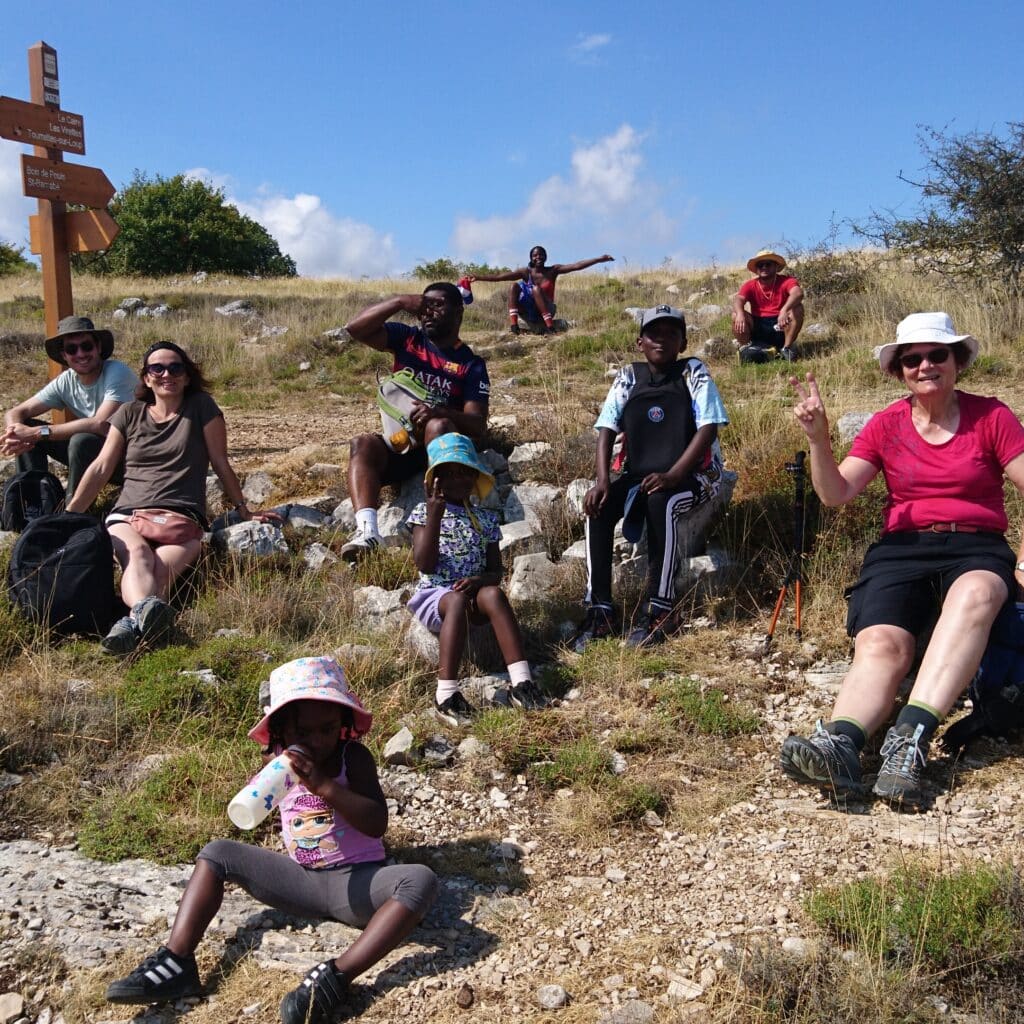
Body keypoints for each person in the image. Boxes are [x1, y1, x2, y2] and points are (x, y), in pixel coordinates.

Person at [105, 655, 437, 1023]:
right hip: (302, 881)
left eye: (328, 729)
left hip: (358, 884)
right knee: (217, 853)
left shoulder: (353, 757)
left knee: (419, 879)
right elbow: (253, 807)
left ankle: (337, 977)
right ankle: (177, 960)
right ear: (281, 731)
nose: (317, 741)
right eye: (303, 733)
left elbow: (376, 824)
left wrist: (324, 786)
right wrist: (273, 772)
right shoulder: (279, 762)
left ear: (343, 723)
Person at [780, 312, 1024, 808]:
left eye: (937, 355)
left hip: (976, 546)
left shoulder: (991, 417)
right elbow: (836, 493)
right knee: (882, 642)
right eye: (912, 359)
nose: (925, 366)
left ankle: (908, 740)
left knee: (977, 593)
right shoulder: (886, 424)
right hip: (902, 548)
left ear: (958, 361)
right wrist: (818, 439)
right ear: (899, 371)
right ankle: (842, 744)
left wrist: (1022, 563)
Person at [66, 341, 276, 656]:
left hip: (183, 516)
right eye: (158, 368)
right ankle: (144, 630)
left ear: (187, 376)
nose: (167, 374)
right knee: (139, 555)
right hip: (129, 514)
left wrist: (243, 510)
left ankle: (127, 628)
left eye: (176, 368)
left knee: (161, 574)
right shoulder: (129, 413)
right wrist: (70, 517)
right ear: (146, 378)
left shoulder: (202, 406)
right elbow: (100, 467)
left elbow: (220, 462)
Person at [573, 305, 729, 651]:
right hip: (640, 471)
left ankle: (661, 608)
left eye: (672, 334)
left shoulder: (692, 372)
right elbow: (606, 427)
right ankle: (600, 610)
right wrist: (602, 480)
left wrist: (674, 475)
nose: (662, 340)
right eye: (654, 333)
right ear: (639, 341)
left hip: (695, 474)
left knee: (662, 502)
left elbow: (708, 427)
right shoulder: (629, 377)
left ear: (683, 342)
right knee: (598, 507)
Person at [341, 282, 489, 562]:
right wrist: (399, 301)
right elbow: (355, 329)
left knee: (437, 425)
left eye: (437, 305)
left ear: (458, 312)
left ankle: (445, 521)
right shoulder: (408, 339)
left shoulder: (471, 364)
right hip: (404, 445)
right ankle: (368, 532)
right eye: (424, 305)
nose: (428, 312)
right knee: (362, 444)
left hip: (442, 453)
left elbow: (477, 424)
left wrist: (441, 412)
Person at [407, 433, 546, 725]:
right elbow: (425, 564)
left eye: (465, 472)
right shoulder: (424, 512)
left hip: (473, 593)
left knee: (494, 594)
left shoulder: (486, 519)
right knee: (456, 600)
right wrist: (435, 515)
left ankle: (521, 682)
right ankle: (446, 694)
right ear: (436, 480)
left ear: (475, 477)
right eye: (449, 473)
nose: (458, 479)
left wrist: (479, 581)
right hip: (437, 595)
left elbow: (496, 571)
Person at [1, 315, 137, 500]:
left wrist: (36, 433)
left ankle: (72, 509)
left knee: (82, 440)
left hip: (131, 461)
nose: (80, 354)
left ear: (98, 347)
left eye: (86, 346)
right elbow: (16, 412)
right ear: (64, 355)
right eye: (72, 349)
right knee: (27, 426)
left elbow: (100, 423)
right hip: (97, 455)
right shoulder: (67, 380)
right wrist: (15, 433)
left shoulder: (117, 372)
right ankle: (33, 502)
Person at [470, 245, 614, 334]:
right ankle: (514, 325)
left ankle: (550, 328)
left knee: (536, 289)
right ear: (531, 258)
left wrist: (599, 259)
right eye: (535, 255)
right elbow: (500, 277)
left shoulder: (553, 270)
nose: (538, 257)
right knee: (514, 286)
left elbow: (576, 265)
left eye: (541, 255)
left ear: (545, 257)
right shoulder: (525, 272)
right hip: (528, 312)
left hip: (547, 309)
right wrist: (478, 277)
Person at [731, 249, 804, 363]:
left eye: (768, 264)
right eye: (760, 265)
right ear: (757, 269)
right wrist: (740, 313)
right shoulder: (750, 285)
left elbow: (798, 293)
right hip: (759, 324)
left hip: (781, 324)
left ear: (776, 266)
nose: (764, 267)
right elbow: (738, 299)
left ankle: (786, 348)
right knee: (736, 315)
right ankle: (748, 348)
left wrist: (784, 310)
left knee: (797, 308)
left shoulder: (786, 281)